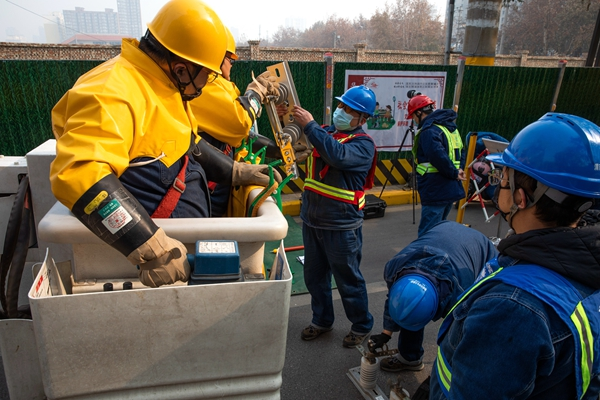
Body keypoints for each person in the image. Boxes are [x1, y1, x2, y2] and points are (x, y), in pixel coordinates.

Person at [49, 0, 280, 288]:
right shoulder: (112, 89)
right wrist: (150, 248)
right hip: (148, 272)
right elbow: (79, 174)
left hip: (178, 257)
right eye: (206, 75)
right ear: (182, 68)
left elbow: (188, 143)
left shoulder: (162, 85)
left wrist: (233, 171)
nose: (208, 83)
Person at [430, 113, 600, 399]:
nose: (499, 184)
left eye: (503, 178)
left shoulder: (511, 308)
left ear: (522, 197)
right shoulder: (584, 261)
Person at [292, 85, 378, 348]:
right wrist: (288, 117)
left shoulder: (363, 145)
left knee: (348, 279)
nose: (341, 111)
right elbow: (303, 141)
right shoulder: (327, 134)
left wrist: (310, 126)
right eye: (341, 106)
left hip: (341, 226)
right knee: (314, 277)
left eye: (348, 110)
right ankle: (322, 320)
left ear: (362, 119)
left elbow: (336, 156)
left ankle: (361, 325)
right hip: (312, 220)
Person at [189, 27, 308, 216]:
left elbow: (242, 135)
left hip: (215, 180)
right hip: (207, 184)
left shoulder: (220, 86)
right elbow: (239, 123)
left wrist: (276, 150)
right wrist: (256, 92)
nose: (232, 64)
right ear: (215, 57)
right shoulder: (204, 86)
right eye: (230, 58)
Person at [367, 220, 498, 372]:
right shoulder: (395, 267)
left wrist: (435, 379)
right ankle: (410, 358)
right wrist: (386, 333)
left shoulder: (461, 292)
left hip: (481, 249)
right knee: (413, 309)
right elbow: (397, 301)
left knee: (462, 330)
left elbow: (457, 337)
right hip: (445, 230)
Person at [407, 94, 466, 237]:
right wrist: (458, 171)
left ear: (419, 112)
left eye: (413, 116)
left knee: (428, 233)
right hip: (450, 187)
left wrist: (453, 172)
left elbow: (437, 155)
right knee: (439, 230)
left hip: (435, 189)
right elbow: (462, 151)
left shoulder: (429, 131)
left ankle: (424, 258)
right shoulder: (450, 128)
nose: (414, 120)